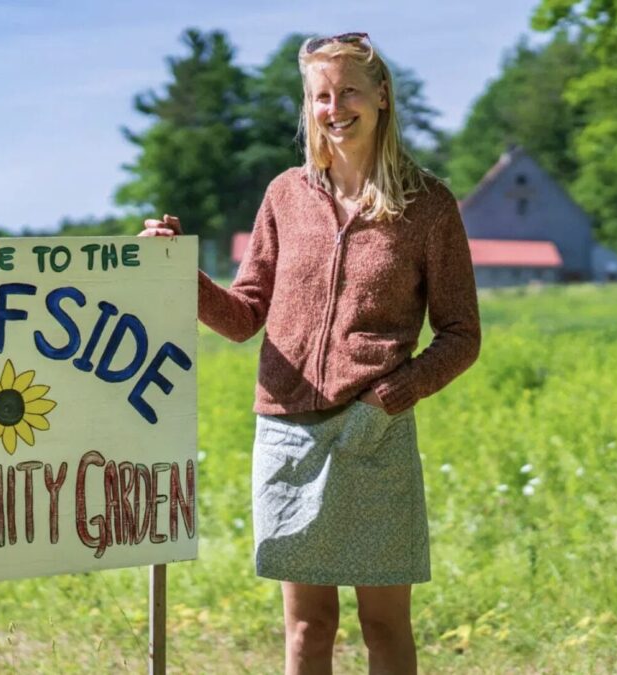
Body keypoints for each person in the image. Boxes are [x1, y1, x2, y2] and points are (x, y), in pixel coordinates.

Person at [140, 31, 480, 675]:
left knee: (384, 625)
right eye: (321, 95)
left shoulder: (427, 205)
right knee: (307, 626)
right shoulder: (285, 196)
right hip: (286, 434)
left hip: (373, 434)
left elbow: (462, 334)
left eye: (348, 90)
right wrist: (181, 271)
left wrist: (392, 395)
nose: (334, 107)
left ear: (381, 95)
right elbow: (243, 318)